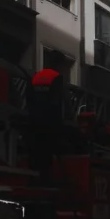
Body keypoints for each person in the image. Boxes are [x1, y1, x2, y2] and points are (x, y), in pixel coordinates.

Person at [28, 50, 66, 182]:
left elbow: (29, 99)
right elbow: (58, 102)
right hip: (49, 121)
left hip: (34, 121)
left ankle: (34, 178)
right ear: (59, 64)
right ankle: (45, 180)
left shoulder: (36, 76)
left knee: (35, 153)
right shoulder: (57, 77)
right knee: (47, 156)